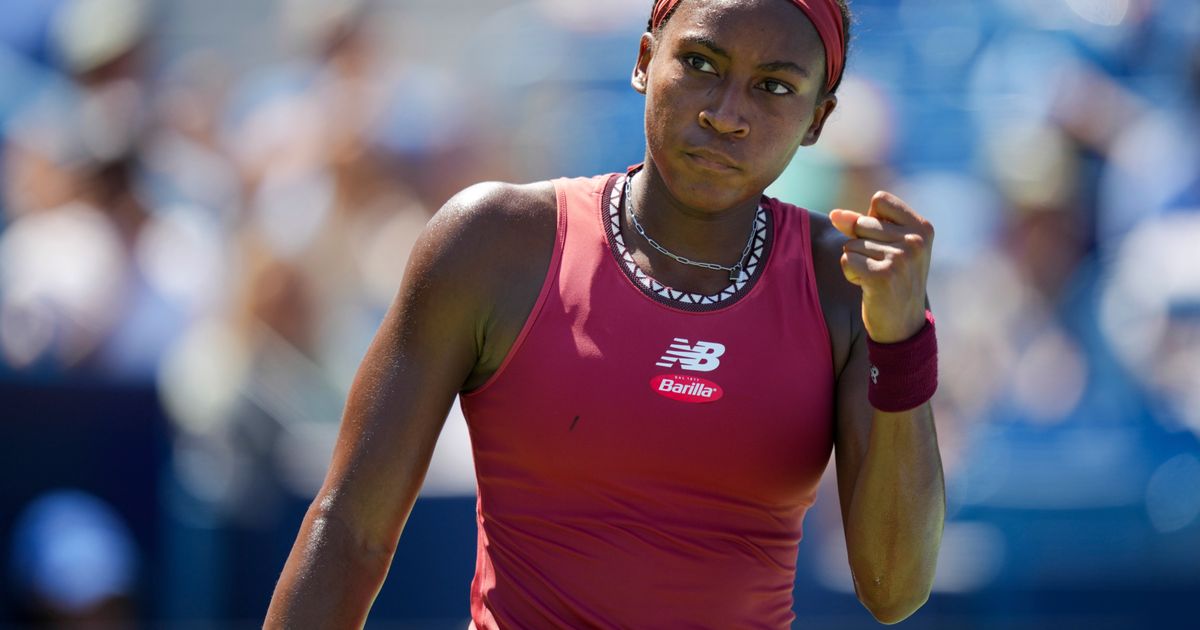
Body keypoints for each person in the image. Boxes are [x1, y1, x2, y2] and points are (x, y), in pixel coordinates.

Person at [265, 0, 945, 627]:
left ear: (817, 119)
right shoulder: (494, 243)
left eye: (774, 86)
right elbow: (350, 529)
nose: (727, 113)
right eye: (701, 64)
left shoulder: (847, 287)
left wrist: (902, 340)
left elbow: (894, 589)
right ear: (646, 60)